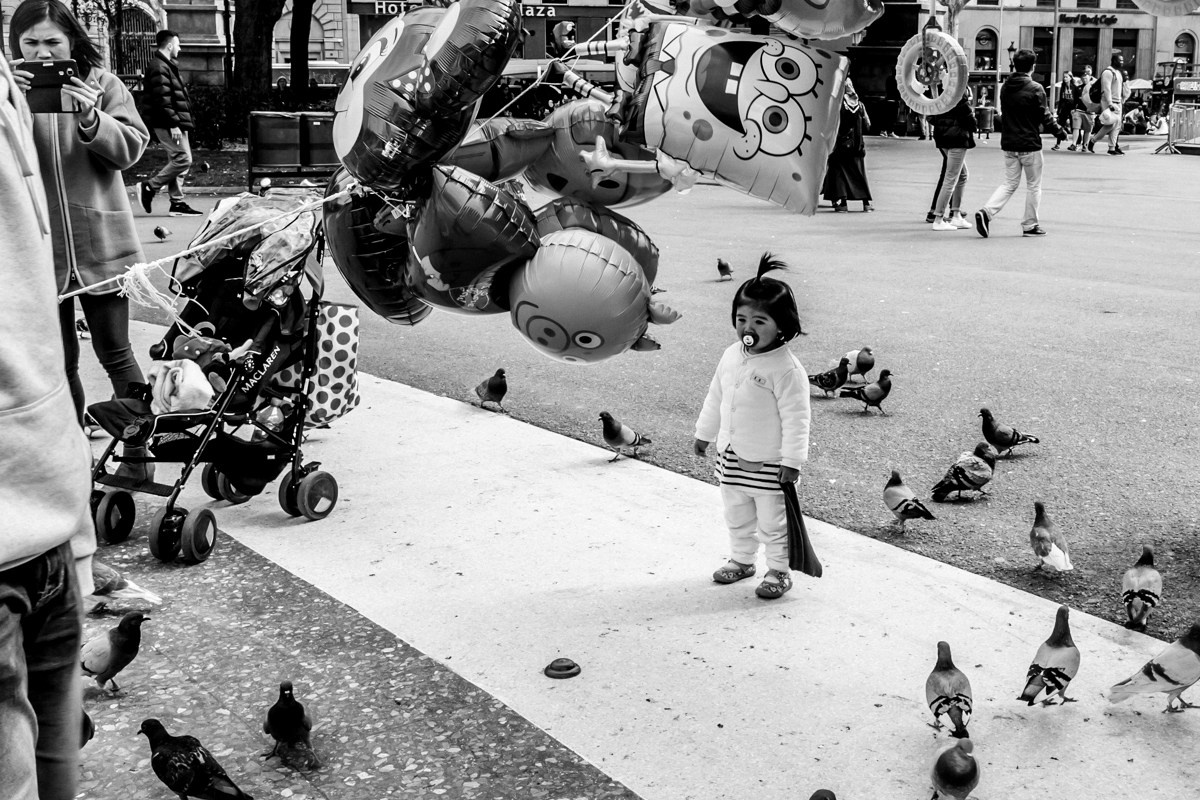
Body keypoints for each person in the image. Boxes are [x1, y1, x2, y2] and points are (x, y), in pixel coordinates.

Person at [0, 52, 96, 800]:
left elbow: (33, 333)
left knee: (57, 762)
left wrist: (77, 535)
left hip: (48, 525)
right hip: (16, 534)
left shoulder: (10, 87)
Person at [8, 0, 154, 482]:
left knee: (117, 352)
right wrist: (8, 109)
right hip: (37, 251)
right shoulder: (7, 92)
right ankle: (75, 466)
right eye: (30, 43)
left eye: (52, 42)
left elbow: (131, 149)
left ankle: (138, 457)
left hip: (103, 242)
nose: (42, 53)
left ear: (71, 40)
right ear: (15, 45)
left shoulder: (103, 84)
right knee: (59, 362)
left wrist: (92, 117)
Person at [694, 254, 810, 600]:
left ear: (782, 325)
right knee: (737, 514)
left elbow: (797, 418)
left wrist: (793, 461)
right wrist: (704, 433)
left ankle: (779, 570)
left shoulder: (786, 369)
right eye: (741, 319)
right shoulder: (731, 355)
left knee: (774, 522)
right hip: (730, 458)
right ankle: (743, 560)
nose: (748, 328)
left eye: (760, 321)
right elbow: (716, 396)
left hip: (770, 464)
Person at [973, 49, 1066, 239]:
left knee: (1009, 183)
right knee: (1033, 186)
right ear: (1033, 66)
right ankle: (1030, 224)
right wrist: (1059, 131)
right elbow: (1045, 115)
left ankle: (987, 211)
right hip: (1029, 143)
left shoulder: (1006, 87)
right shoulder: (1036, 88)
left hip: (1009, 143)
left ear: (1015, 65)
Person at [136, 29, 201, 215]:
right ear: (170, 45)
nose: (180, 49)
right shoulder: (159, 67)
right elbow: (162, 99)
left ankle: (177, 203)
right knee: (183, 159)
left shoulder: (166, 65)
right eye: (178, 45)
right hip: (168, 123)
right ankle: (149, 186)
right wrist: (173, 124)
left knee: (178, 160)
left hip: (175, 121)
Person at [927, 88, 977, 231]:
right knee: (951, 178)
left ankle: (956, 214)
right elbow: (970, 120)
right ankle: (939, 218)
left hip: (943, 138)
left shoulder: (941, 95)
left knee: (961, 175)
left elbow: (931, 117)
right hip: (957, 138)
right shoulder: (959, 95)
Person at [822, 79, 873, 212]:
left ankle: (843, 203)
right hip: (857, 146)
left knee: (840, 173)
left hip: (841, 145)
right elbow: (868, 125)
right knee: (859, 174)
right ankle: (866, 203)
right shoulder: (859, 104)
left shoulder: (837, 104)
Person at [1087, 53, 1129, 155]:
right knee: (1110, 125)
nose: (1122, 62)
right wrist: (1110, 103)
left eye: (1123, 60)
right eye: (1120, 60)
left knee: (1117, 126)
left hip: (1118, 102)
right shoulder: (1108, 72)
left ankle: (1112, 148)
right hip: (1109, 102)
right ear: (1114, 61)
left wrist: (1122, 100)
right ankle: (1094, 141)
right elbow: (1106, 89)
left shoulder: (1118, 73)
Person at [1068, 71, 1093, 151]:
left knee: (1088, 129)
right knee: (1076, 127)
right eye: (1083, 78)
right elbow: (1074, 99)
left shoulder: (1093, 88)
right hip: (1078, 110)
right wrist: (1073, 109)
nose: (1084, 79)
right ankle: (1074, 144)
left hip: (1089, 112)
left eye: (1086, 78)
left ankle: (1085, 145)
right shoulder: (1078, 88)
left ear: (1090, 78)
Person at [1052, 71, 1075, 148]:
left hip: (1072, 108)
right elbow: (1061, 99)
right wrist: (1059, 110)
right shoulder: (1063, 87)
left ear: (1070, 77)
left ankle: (1076, 143)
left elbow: (1076, 99)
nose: (1065, 78)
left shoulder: (1074, 87)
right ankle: (1058, 144)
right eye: (1064, 77)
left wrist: (1075, 108)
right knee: (1060, 125)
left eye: (1066, 77)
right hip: (1064, 108)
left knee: (1073, 126)